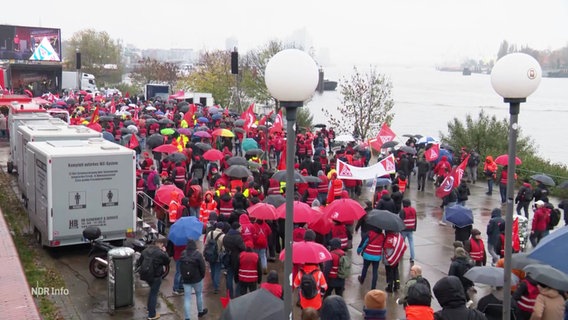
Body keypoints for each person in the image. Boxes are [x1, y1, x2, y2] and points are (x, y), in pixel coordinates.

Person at [137, 238, 170, 320]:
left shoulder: (145, 250)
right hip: (156, 276)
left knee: (152, 291)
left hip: (146, 275)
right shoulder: (160, 253)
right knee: (154, 294)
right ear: (162, 244)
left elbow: (139, 262)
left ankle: (149, 309)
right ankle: (152, 314)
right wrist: (165, 252)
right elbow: (167, 262)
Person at [179, 240, 208, 320]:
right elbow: (203, 267)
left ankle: (187, 317)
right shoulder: (198, 254)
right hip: (197, 279)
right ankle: (200, 311)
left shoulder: (183, 253)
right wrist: (202, 276)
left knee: (187, 298)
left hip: (186, 280)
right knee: (199, 295)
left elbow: (180, 266)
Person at [222, 222, 245, 298]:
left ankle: (230, 294)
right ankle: (237, 294)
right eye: (240, 228)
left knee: (229, 276)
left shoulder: (226, 236)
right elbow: (243, 248)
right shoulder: (238, 237)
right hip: (236, 259)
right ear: (237, 228)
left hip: (228, 258)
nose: (241, 229)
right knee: (238, 277)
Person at [205, 222, 225, 294]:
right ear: (222, 228)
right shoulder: (223, 236)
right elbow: (223, 248)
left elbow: (206, 243)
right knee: (217, 270)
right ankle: (216, 287)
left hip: (210, 254)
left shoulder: (210, 233)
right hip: (218, 256)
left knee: (212, 269)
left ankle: (214, 283)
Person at [399, 198, 417, 265]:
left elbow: (400, 221)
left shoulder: (403, 211)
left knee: (402, 243)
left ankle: (401, 254)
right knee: (411, 243)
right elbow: (415, 220)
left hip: (404, 229)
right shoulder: (413, 210)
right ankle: (412, 257)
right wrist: (414, 228)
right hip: (411, 229)